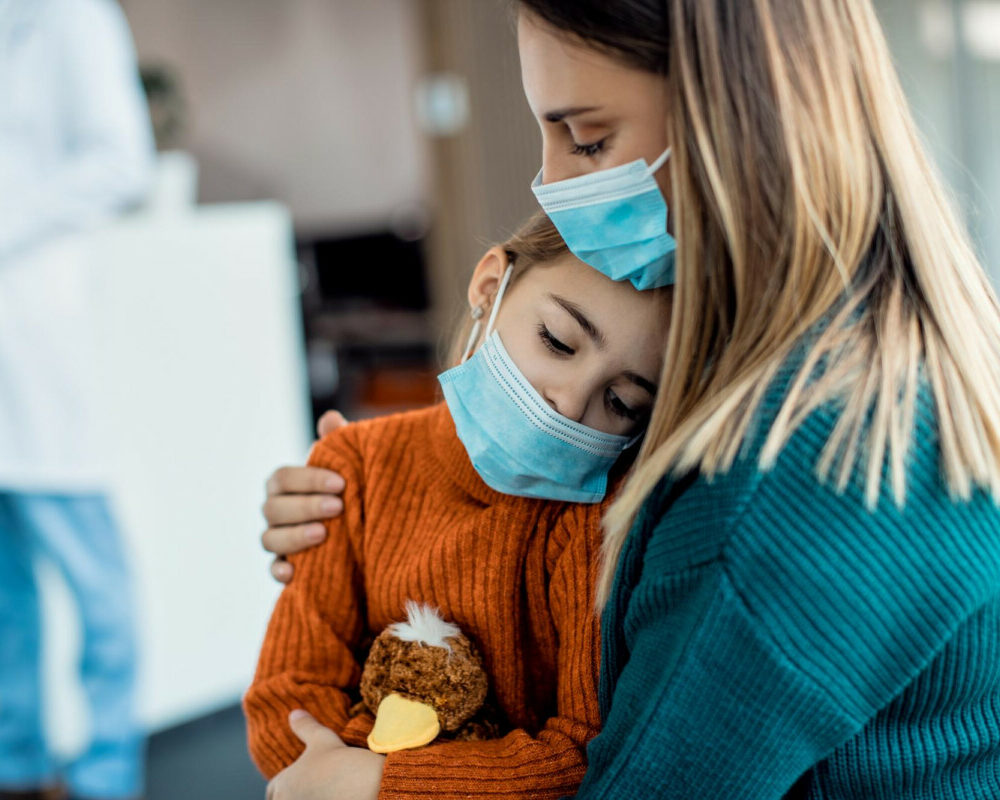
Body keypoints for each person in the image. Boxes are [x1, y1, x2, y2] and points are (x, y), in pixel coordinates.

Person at [261, 0, 1000, 797]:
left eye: (586, 139)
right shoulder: (792, 367)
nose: (551, 184)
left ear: (735, 111)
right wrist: (368, 507)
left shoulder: (788, 485)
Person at [245, 213, 672, 799]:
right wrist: (338, 774)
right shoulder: (355, 464)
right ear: (490, 288)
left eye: (620, 401)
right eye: (557, 342)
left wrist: (381, 784)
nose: (569, 402)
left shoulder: (592, 523)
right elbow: (287, 692)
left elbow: (582, 755)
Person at [0, 1, 154, 798]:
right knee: (3, 589)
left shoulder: (67, 14)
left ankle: (105, 776)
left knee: (95, 581)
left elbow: (121, 159)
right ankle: (16, 765)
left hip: (34, 330)